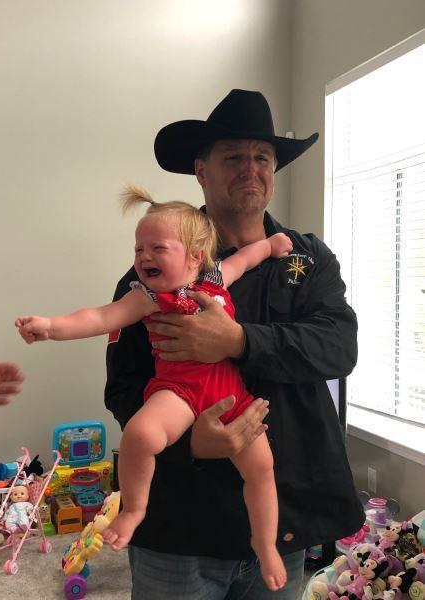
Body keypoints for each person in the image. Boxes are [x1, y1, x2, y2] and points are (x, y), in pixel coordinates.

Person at [104, 89, 366, 600]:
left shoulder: (308, 259)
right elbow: (123, 391)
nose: (251, 169)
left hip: (280, 522)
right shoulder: (154, 279)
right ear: (201, 171)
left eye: (262, 157)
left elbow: (339, 347)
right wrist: (188, 444)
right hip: (181, 530)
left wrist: (240, 340)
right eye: (233, 157)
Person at [15, 186, 293, 591]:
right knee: (140, 435)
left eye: (157, 248)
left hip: (229, 395)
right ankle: (134, 509)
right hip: (177, 391)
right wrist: (52, 327)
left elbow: (247, 258)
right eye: (138, 249)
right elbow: (100, 316)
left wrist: (270, 245)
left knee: (263, 470)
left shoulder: (216, 280)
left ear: (195, 256)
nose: (144, 257)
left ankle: (264, 544)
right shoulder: (147, 297)